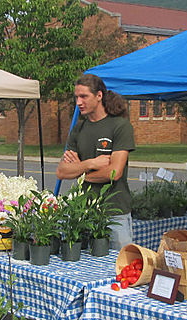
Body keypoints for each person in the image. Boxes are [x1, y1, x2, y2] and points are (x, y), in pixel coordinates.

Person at [56, 73, 135, 250]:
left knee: (120, 267)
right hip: (84, 212)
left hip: (115, 213)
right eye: (76, 97)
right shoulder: (79, 128)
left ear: (99, 95)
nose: (78, 102)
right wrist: (90, 164)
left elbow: (114, 173)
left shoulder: (120, 126)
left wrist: (79, 173)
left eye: (84, 96)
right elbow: (61, 172)